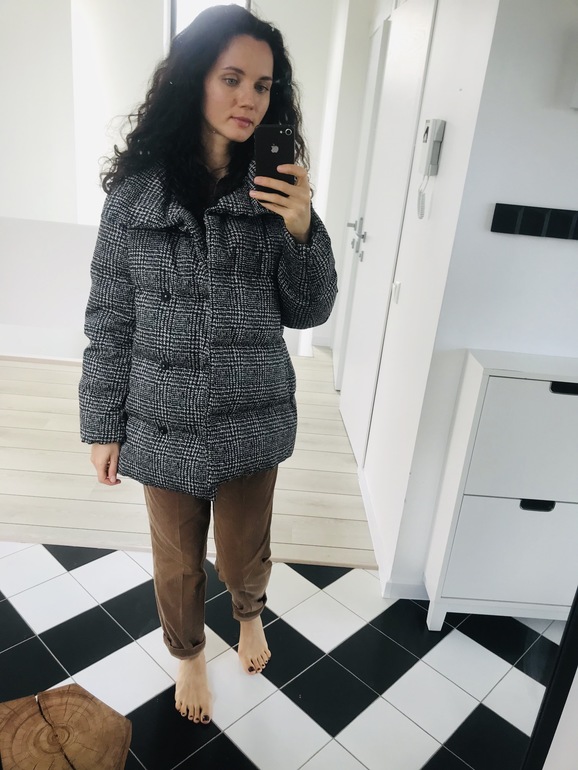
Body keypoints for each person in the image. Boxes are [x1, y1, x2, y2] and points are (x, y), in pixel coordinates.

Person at [79, 3, 337, 727]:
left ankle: (249, 611)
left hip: (252, 412)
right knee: (177, 558)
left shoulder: (277, 193)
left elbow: (310, 309)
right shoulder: (133, 195)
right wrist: (102, 423)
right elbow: (109, 314)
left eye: (263, 85)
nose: (249, 98)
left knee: (245, 547)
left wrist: (302, 227)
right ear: (194, 79)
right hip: (160, 414)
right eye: (232, 78)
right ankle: (189, 651)